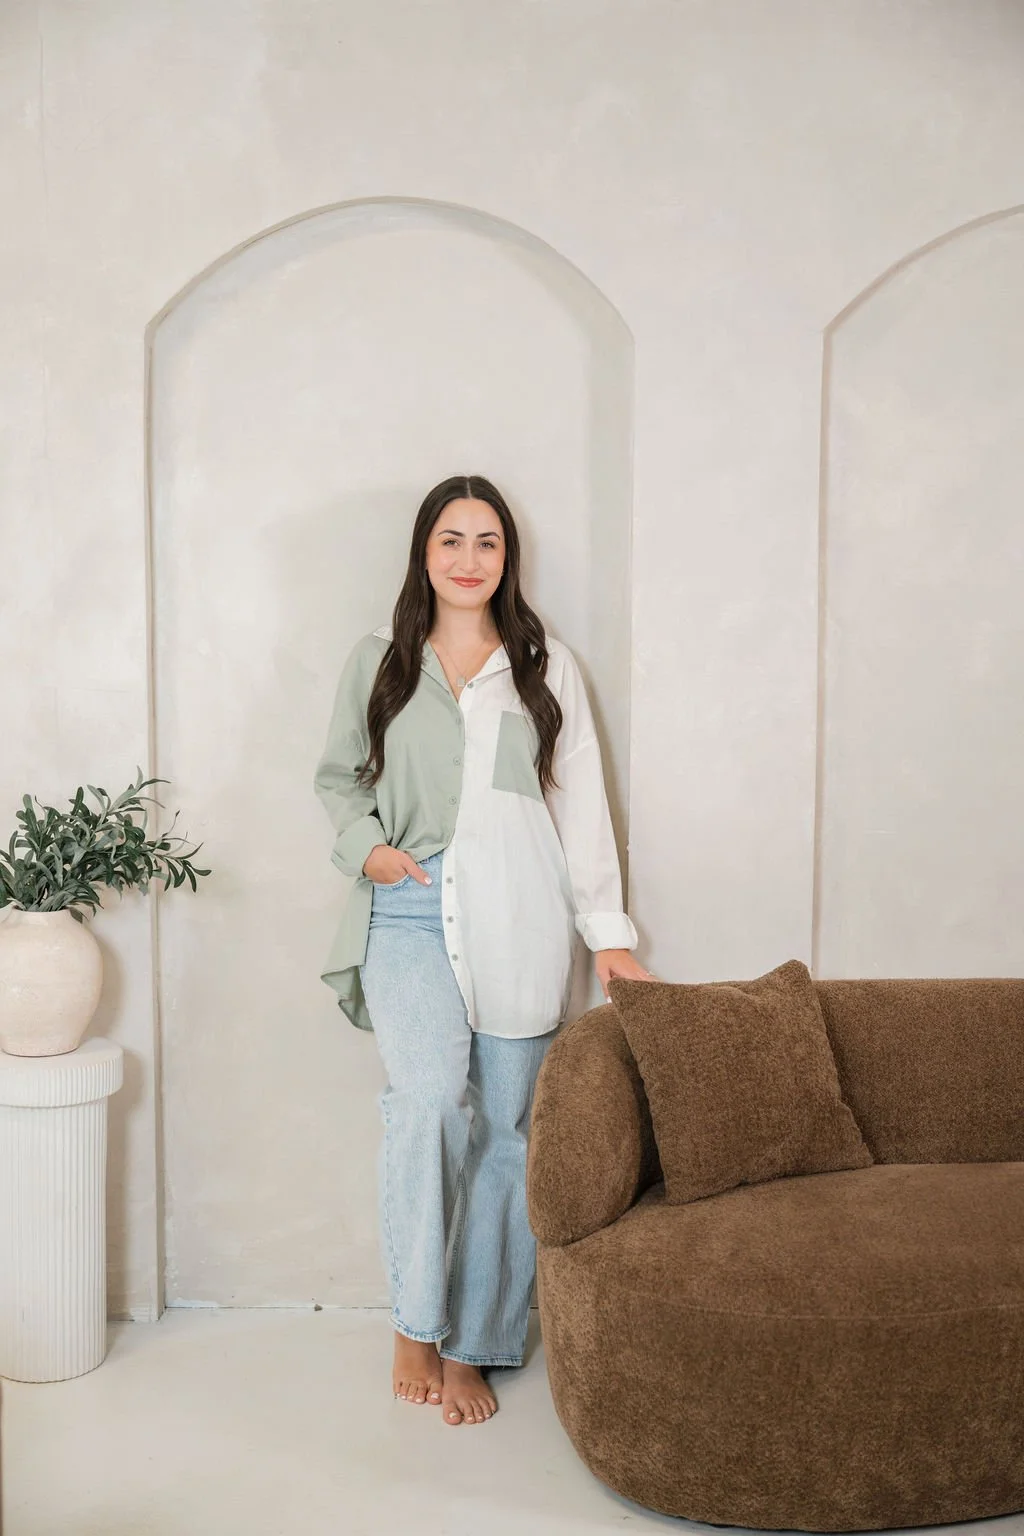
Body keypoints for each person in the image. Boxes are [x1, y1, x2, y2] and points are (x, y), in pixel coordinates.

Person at [313, 473, 654, 1428]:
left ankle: (476, 1344)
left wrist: (610, 937)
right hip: (412, 908)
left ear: (509, 560)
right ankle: (415, 1323)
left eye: (488, 543)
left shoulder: (546, 666)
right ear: (424, 552)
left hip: (521, 917)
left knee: (507, 1136)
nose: (470, 559)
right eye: (451, 540)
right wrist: (367, 850)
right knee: (427, 1107)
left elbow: (580, 808)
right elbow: (337, 776)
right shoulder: (379, 661)